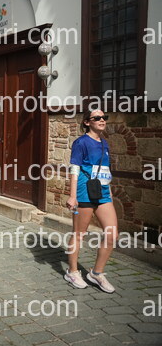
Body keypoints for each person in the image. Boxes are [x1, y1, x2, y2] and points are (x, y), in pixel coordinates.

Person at [64, 109, 117, 293]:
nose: (102, 120)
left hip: (103, 193)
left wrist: (109, 193)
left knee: (112, 234)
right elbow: (75, 168)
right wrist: (72, 195)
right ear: (87, 122)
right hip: (84, 192)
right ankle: (72, 272)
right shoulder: (81, 142)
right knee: (79, 234)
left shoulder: (104, 143)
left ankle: (96, 273)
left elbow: (105, 170)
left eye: (104, 117)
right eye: (97, 118)